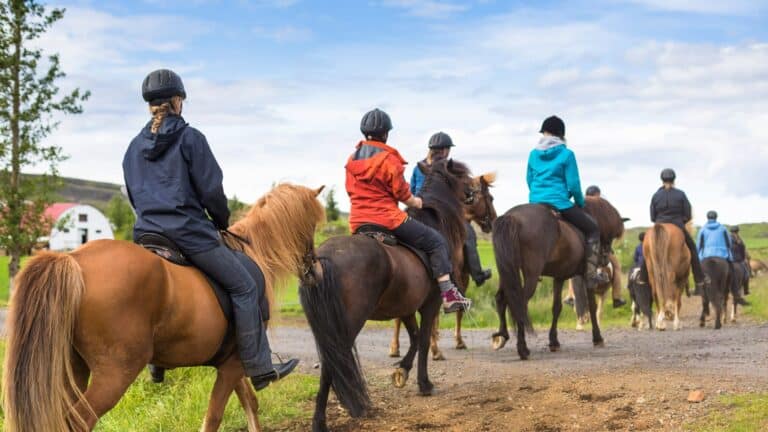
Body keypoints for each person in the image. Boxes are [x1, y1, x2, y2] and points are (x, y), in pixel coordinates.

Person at [123, 69, 298, 391]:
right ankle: (260, 368)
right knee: (245, 285)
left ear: (150, 105)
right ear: (178, 101)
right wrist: (220, 222)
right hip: (187, 233)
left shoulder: (133, 147)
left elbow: (134, 195)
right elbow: (211, 191)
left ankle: (157, 365)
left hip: (146, 236)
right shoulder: (191, 139)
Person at [345, 109, 471, 313]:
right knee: (436, 241)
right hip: (387, 219)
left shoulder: (352, 160)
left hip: (358, 221)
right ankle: (449, 296)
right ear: (385, 134)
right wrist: (417, 202)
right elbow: (401, 192)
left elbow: (350, 191)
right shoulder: (389, 159)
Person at [527, 115, 610, 289]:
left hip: (535, 204)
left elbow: (529, 180)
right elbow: (573, 185)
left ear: (544, 133)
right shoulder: (567, 154)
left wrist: (537, 197)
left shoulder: (533, 154)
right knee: (593, 228)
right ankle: (591, 274)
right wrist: (579, 202)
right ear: (561, 134)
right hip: (560, 203)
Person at [410, 131, 493, 287]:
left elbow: (412, 190)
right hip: (442, 214)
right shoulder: (447, 167)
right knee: (468, 234)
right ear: (444, 150)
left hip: (418, 210)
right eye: (448, 149)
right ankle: (478, 274)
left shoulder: (418, 167)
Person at [645, 168, 709, 295]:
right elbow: (688, 213)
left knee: (647, 253)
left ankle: (642, 278)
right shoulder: (680, 194)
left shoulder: (656, 196)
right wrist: (681, 222)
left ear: (662, 180)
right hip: (677, 225)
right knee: (692, 249)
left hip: (659, 225)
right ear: (674, 180)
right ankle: (699, 280)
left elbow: (652, 217)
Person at [563, 185, 626, 307]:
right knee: (617, 266)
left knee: (572, 268)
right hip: (599, 247)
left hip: (581, 246)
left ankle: (570, 295)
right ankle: (617, 297)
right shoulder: (603, 207)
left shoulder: (580, 204)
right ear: (598, 194)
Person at [697, 211, 749, 305]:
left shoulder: (702, 229)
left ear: (707, 217)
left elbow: (699, 245)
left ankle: (698, 289)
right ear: (716, 217)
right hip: (722, 255)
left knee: (698, 272)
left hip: (706, 255)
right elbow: (729, 243)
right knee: (732, 271)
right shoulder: (723, 229)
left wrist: (697, 256)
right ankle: (736, 291)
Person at [730, 225, 751, 294]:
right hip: (738, 260)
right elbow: (743, 250)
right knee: (747, 274)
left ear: (731, 232)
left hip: (728, 260)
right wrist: (745, 258)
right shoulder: (740, 240)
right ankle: (746, 290)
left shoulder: (727, 239)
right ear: (738, 231)